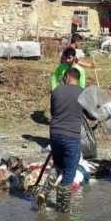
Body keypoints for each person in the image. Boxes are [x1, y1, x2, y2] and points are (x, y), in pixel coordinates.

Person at [39, 68, 95, 212]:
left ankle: (43, 193)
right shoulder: (83, 93)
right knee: (69, 172)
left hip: (55, 134)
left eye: (64, 77)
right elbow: (92, 116)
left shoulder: (56, 91)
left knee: (58, 165)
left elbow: (53, 112)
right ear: (77, 78)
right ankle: (62, 210)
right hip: (71, 137)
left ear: (67, 77)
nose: (63, 79)